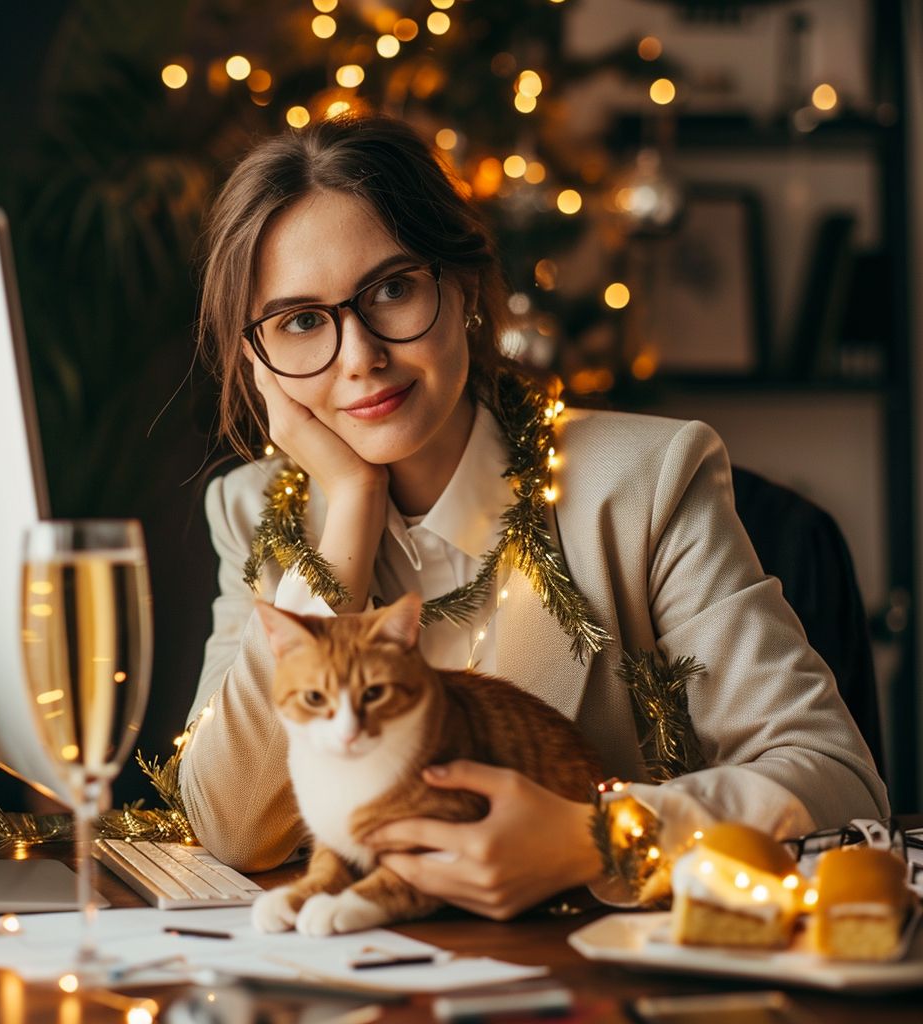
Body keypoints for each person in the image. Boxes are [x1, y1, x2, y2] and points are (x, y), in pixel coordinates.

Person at [179, 115, 888, 919]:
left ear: (464, 286)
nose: (359, 356)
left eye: (392, 289)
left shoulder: (647, 482)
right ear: (257, 360)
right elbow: (235, 826)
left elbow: (837, 778)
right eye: (302, 321)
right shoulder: (250, 512)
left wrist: (597, 839)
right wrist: (349, 508)